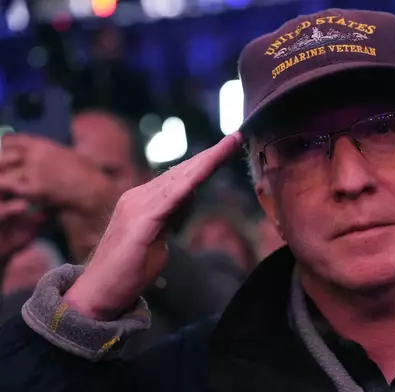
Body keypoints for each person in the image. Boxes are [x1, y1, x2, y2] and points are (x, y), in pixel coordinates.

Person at [1, 9, 395, 392]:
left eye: (383, 130)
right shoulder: (189, 378)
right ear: (267, 199)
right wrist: (77, 318)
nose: (349, 179)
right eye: (305, 147)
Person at [0, 108, 244, 353]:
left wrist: (103, 204)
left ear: (149, 180)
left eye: (107, 172)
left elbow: (241, 325)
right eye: (67, 176)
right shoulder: (30, 305)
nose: (78, 188)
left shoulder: (208, 271)